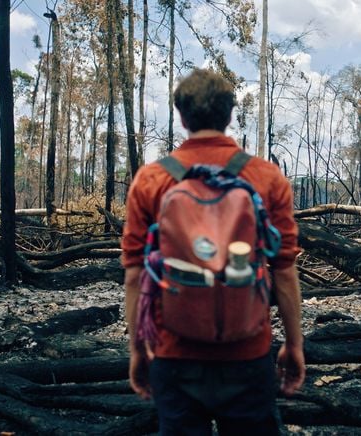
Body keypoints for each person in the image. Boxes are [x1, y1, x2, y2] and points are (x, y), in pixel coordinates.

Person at [121, 68, 305, 435]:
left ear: (181, 116)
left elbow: (134, 274)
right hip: (248, 352)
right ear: (230, 114)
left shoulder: (151, 180)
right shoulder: (266, 177)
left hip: (174, 354)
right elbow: (283, 269)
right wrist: (295, 345)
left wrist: (138, 350)